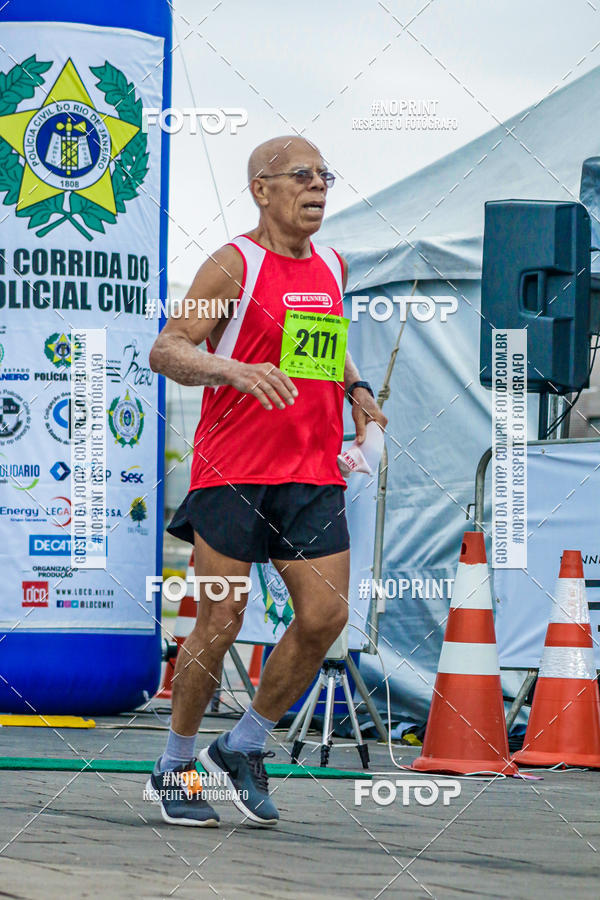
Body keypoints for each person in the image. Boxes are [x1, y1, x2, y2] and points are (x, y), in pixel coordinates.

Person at [147, 135, 387, 827]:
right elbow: (168, 347)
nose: (318, 187)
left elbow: (325, 344)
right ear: (262, 188)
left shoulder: (334, 265)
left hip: (311, 473)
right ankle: (175, 765)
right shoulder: (233, 264)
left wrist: (359, 389)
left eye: (325, 175)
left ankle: (245, 743)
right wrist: (233, 370)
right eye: (302, 176)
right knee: (219, 618)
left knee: (325, 617)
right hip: (233, 474)